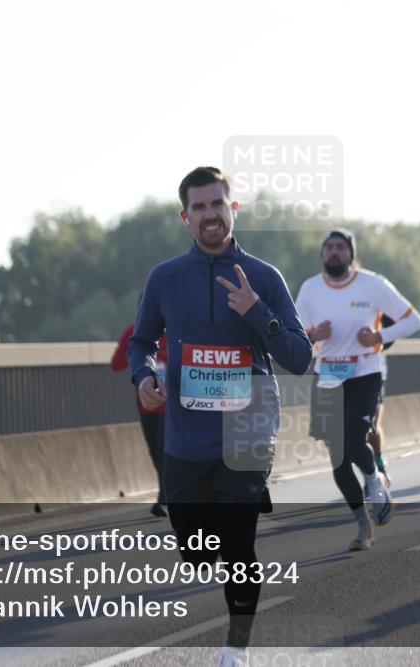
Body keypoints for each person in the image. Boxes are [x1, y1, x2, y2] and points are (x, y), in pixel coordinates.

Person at [128, 166, 311, 667]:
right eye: (200, 207)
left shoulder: (265, 278)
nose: (211, 215)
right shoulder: (165, 278)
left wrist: (257, 311)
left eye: (218, 204)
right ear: (185, 217)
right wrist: (142, 377)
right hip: (186, 437)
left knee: (237, 546)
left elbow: (298, 357)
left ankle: (236, 647)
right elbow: (140, 342)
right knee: (196, 551)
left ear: (235, 208)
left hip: (248, 427)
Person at [295, 229, 420, 550]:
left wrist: (379, 337)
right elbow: (293, 332)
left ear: (351, 255)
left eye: (341, 247)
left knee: (353, 438)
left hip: (365, 372)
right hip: (327, 375)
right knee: (337, 458)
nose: (335, 252)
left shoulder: (373, 284)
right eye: (329, 247)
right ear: (322, 255)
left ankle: (372, 478)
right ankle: (363, 527)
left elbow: (414, 320)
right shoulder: (310, 289)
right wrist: (312, 334)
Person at [111, 322, 169, 517]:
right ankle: (166, 493)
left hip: (170, 403)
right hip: (146, 404)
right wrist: (139, 357)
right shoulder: (133, 333)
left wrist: (160, 357)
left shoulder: (176, 329)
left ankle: (164, 497)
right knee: (154, 450)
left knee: (164, 449)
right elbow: (116, 364)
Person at [368, 314, 395, 485]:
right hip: (343, 370)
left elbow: (394, 326)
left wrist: (378, 342)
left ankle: (379, 462)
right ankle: (368, 470)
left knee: (372, 423)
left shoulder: (374, 293)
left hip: (373, 369)